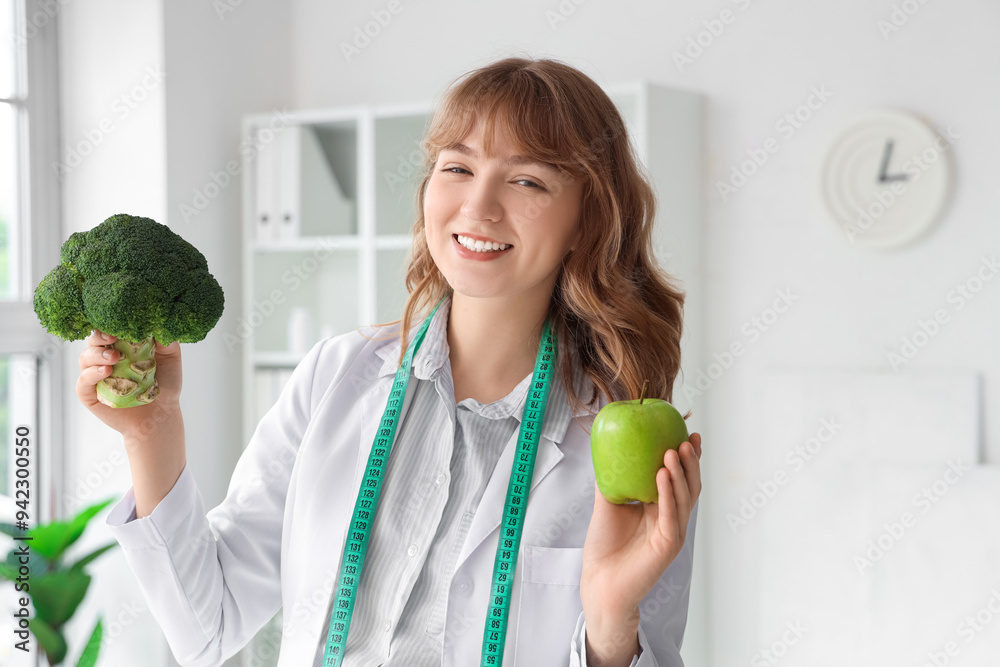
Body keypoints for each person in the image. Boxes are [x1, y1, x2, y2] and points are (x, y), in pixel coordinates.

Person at [79, 56, 703, 667]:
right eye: (457, 167)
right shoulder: (336, 376)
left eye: (527, 180)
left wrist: (610, 623)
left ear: (586, 221)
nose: (478, 206)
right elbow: (206, 627)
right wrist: (151, 432)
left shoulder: (623, 445)